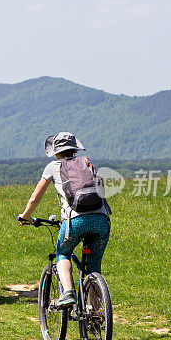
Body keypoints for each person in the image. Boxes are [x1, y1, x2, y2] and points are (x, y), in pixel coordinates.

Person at [18, 132, 111, 307]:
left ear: (55, 150)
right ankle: (97, 317)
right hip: (101, 220)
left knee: (63, 253)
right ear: (74, 148)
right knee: (93, 268)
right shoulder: (86, 162)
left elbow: (35, 198)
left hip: (75, 221)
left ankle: (68, 293)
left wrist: (26, 215)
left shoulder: (53, 166)